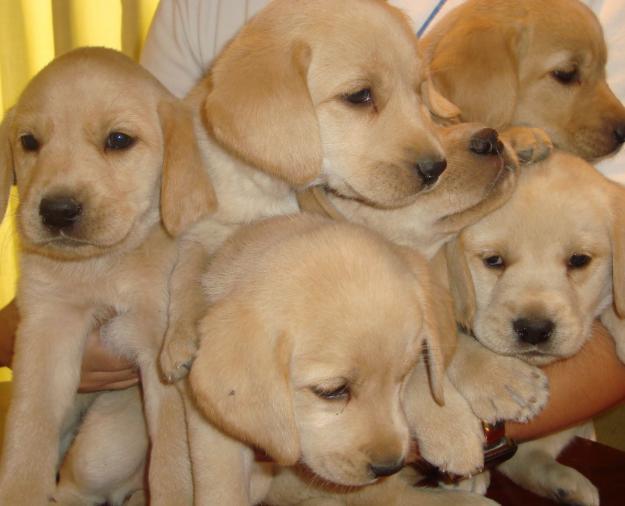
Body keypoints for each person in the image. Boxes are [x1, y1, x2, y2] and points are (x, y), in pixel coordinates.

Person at [1, 0, 624, 439]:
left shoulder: (594, 17)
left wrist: (436, 430)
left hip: (409, 407)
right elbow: (132, 183)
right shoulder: (208, 13)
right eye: (361, 98)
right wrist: (32, 325)